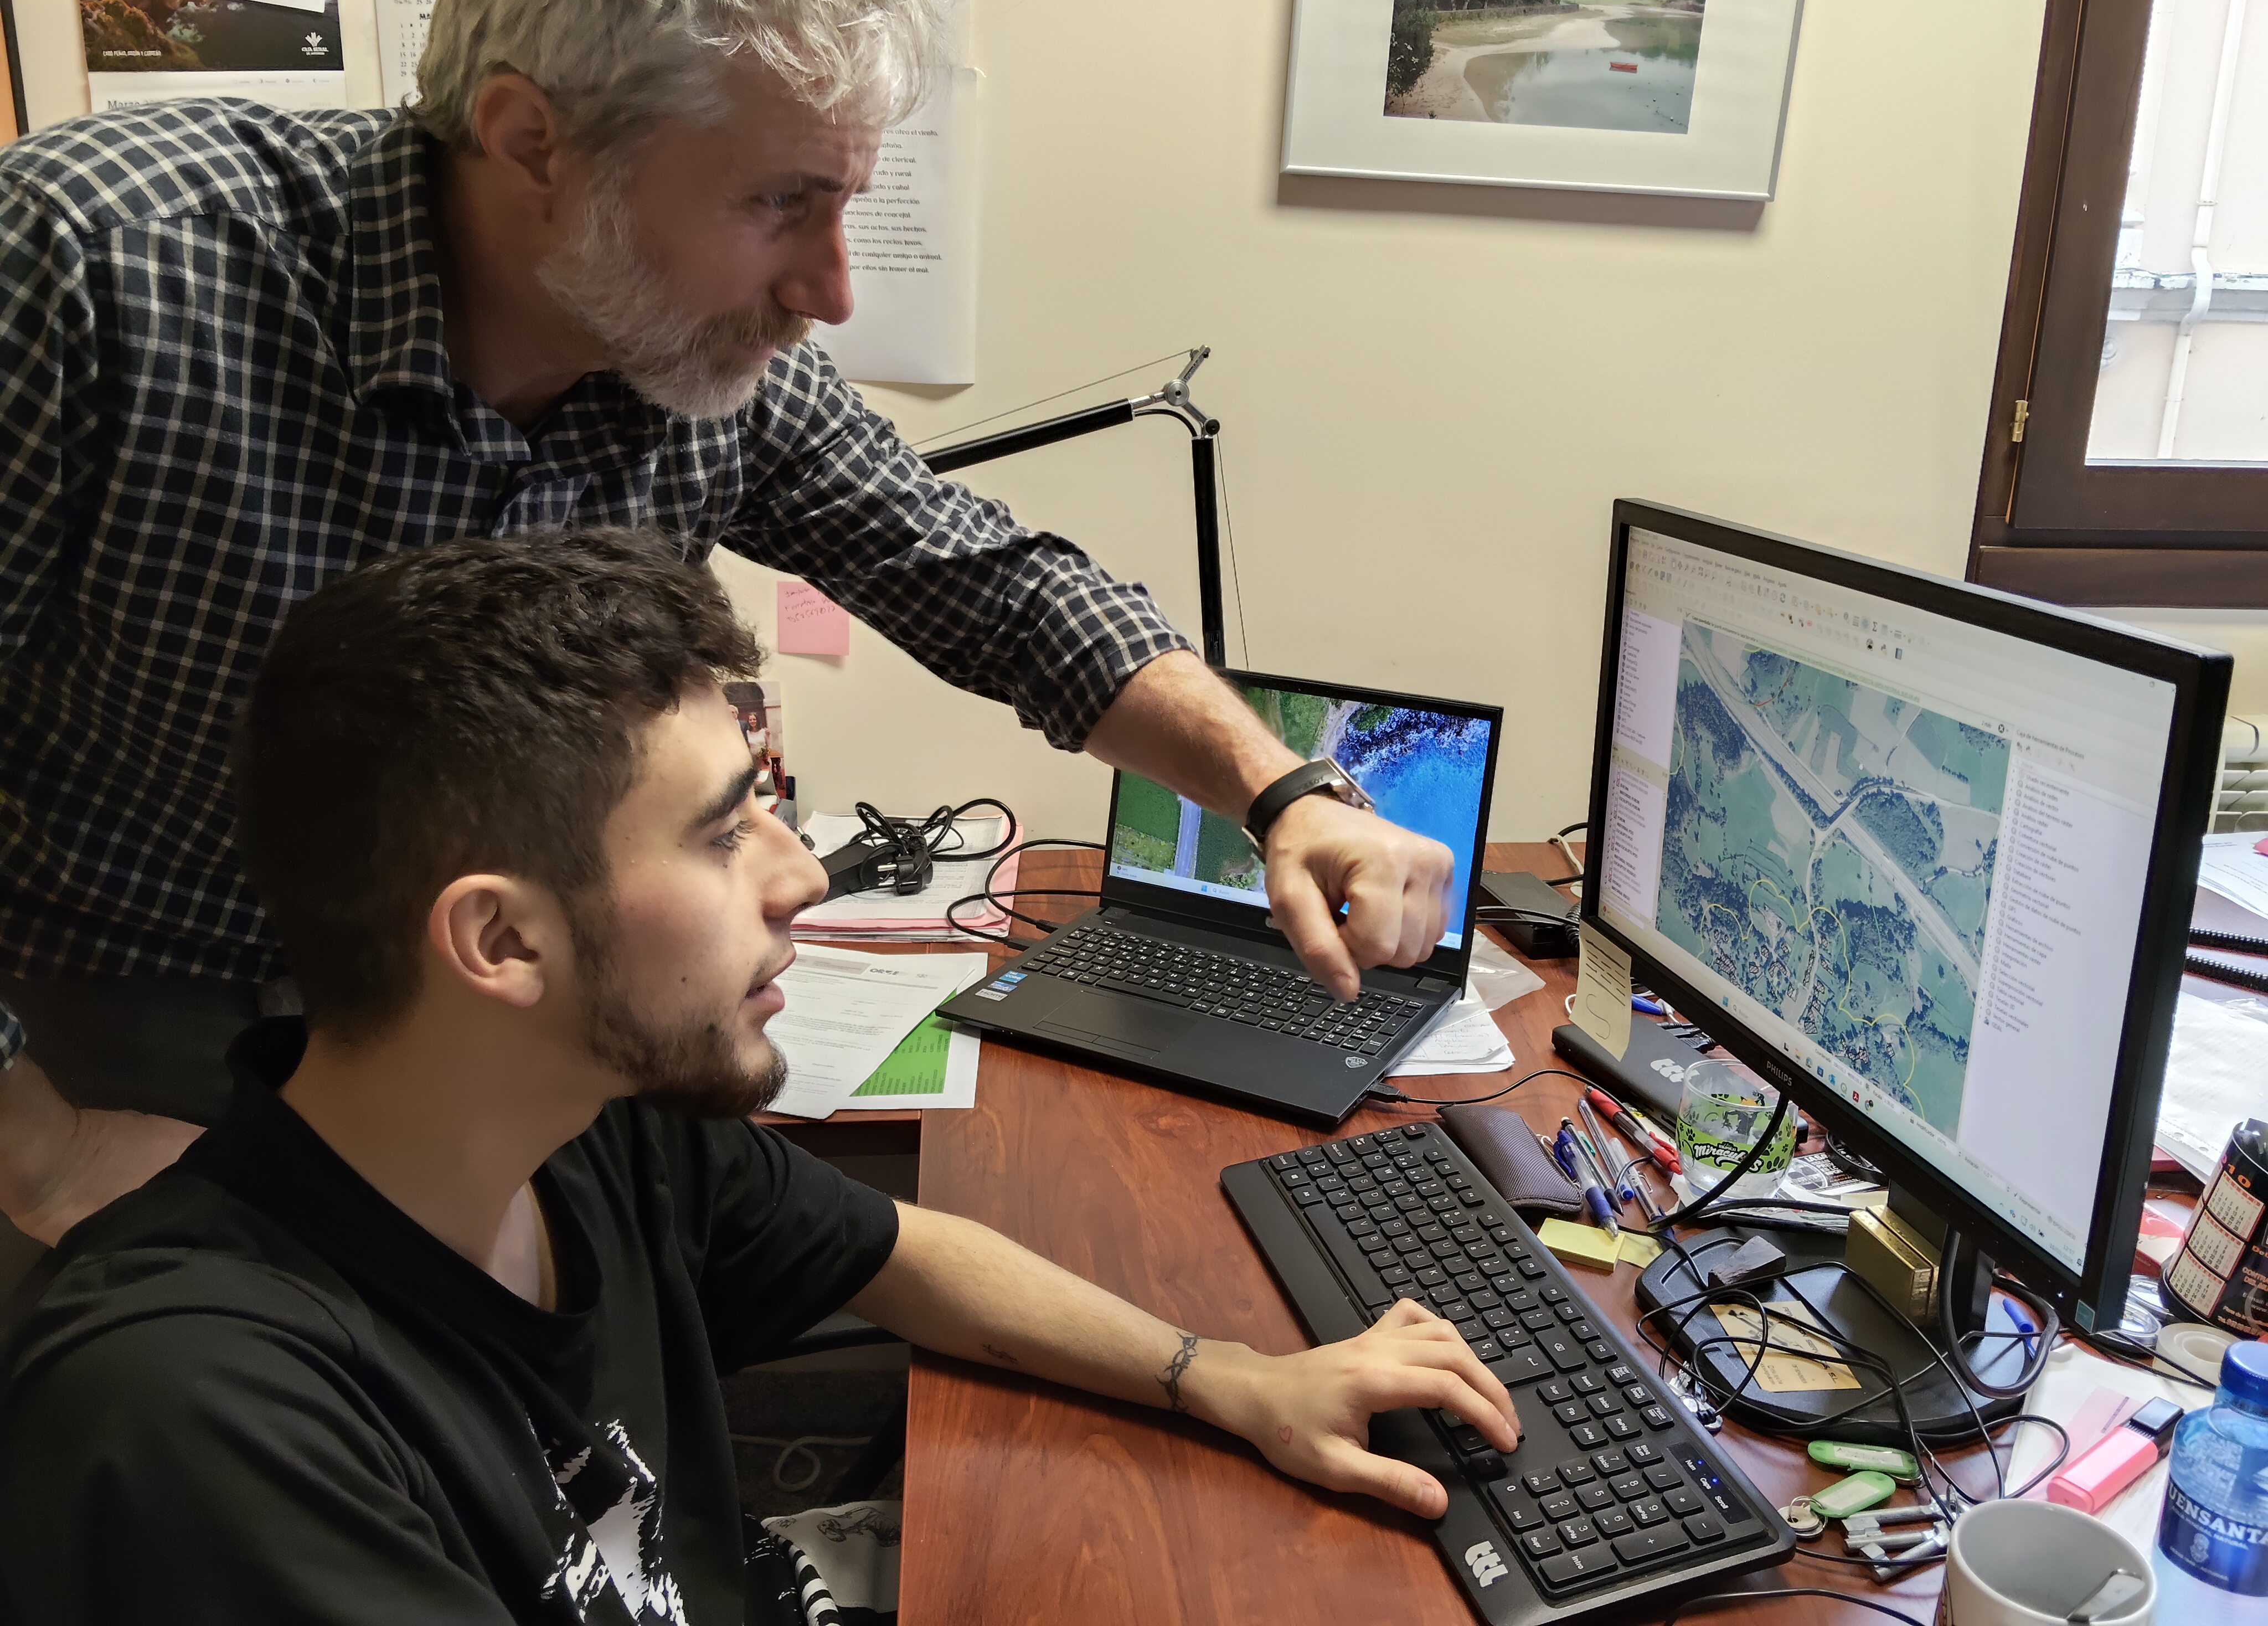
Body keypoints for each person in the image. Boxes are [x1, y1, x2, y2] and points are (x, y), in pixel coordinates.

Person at [0, 0, 1454, 1253]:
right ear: (532, 141)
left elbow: (983, 580)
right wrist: (38, 1141)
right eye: (782, 203)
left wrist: (1286, 793)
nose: (830, 287)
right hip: (129, 1024)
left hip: (509, 1037)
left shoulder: (691, 365)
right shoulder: (98, 263)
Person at [0, 532, 1520, 1624]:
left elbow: (907, 1254)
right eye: (729, 832)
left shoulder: (588, 1131)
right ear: (502, 941)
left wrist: (1233, 1379)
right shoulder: (198, 1415)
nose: (803, 878)